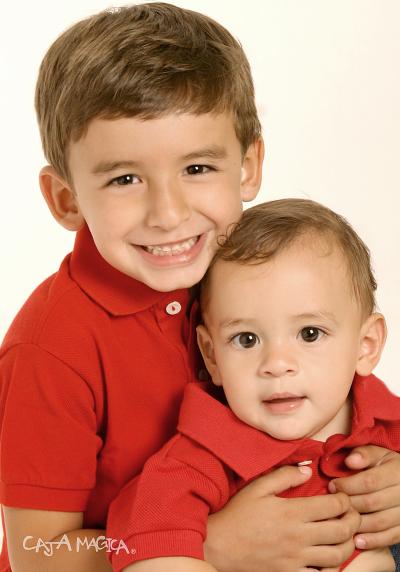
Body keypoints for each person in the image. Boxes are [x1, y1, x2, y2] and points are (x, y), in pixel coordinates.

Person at [0, 4, 399, 571]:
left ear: (248, 166)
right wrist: (209, 543)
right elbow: (37, 553)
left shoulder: (248, 267)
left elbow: (338, 394)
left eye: (197, 169)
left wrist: (384, 481)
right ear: (66, 198)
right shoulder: (51, 349)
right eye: (125, 178)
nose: (168, 215)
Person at [106, 198, 399, 572]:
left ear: (366, 345)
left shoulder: (387, 423)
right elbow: (149, 555)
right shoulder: (197, 461)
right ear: (212, 357)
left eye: (310, 334)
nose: (277, 365)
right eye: (246, 339)